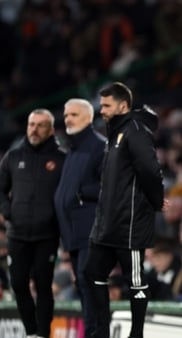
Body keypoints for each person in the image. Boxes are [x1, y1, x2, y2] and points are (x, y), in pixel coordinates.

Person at [83, 82, 164, 338]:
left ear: (123, 105)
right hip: (107, 223)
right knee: (92, 273)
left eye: (107, 105)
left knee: (135, 281)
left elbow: (151, 171)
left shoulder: (135, 131)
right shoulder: (114, 133)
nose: (102, 110)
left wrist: (156, 201)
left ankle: (136, 334)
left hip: (129, 223)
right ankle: (101, 332)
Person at [0, 109, 66, 338]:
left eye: (40, 125)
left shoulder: (61, 159)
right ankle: (31, 331)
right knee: (18, 283)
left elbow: (67, 196)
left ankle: (42, 334)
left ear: (50, 129)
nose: (34, 129)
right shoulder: (13, 156)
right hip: (17, 234)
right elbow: (0, 189)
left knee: (43, 285)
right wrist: (8, 213)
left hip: (46, 236)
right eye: (31, 124)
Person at [54, 98, 106, 337]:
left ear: (88, 118)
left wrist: (81, 193)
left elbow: (112, 188)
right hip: (73, 232)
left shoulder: (99, 146)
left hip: (91, 229)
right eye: (66, 115)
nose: (68, 119)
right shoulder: (72, 150)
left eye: (74, 115)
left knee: (90, 282)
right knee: (83, 284)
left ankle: (98, 334)